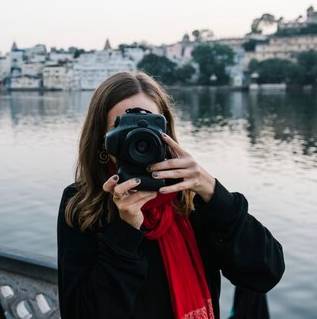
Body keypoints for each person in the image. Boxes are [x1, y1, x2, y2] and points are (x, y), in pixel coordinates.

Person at [57, 72, 284, 319]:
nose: (138, 136)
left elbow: (266, 273)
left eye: (149, 124)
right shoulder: (81, 204)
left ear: (165, 133)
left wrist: (212, 191)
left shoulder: (190, 195)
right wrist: (125, 232)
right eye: (124, 125)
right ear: (103, 140)